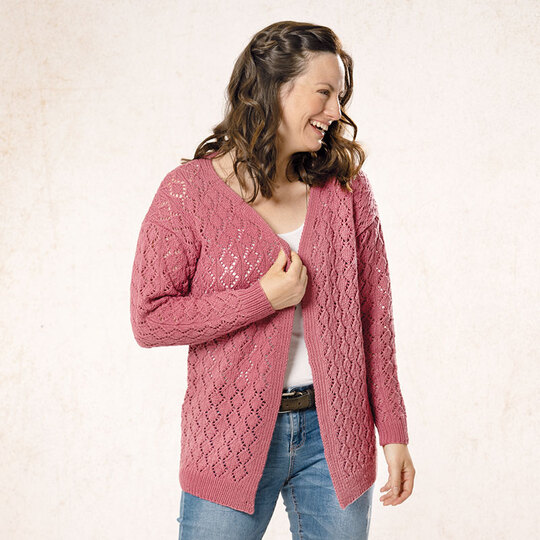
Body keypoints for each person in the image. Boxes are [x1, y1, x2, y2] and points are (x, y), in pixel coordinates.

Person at [130, 20, 415, 540]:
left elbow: (376, 319)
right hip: (227, 440)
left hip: (336, 436)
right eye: (324, 92)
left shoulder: (346, 190)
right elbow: (150, 319)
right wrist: (261, 298)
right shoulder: (189, 193)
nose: (336, 111)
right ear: (274, 89)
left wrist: (393, 430)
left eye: (340, 96)